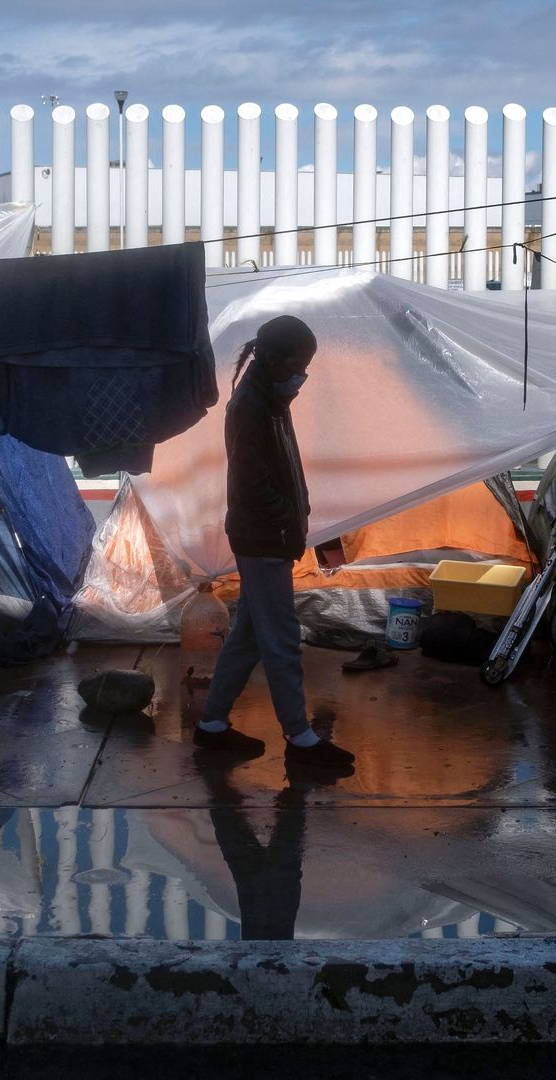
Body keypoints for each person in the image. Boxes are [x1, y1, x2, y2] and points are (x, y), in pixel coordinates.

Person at [194, 315, 355, 772]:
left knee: (247, 637)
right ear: (275, 359)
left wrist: (296, 514)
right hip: (262, 537)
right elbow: (251, 483)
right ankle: (301, 742)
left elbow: (280, 472)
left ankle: (211, 727)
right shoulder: (250, 405)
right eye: (299, 364)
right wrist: (287, 519)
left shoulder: (269, 399)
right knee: (282, 639)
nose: (302, 374)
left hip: (271, 534)